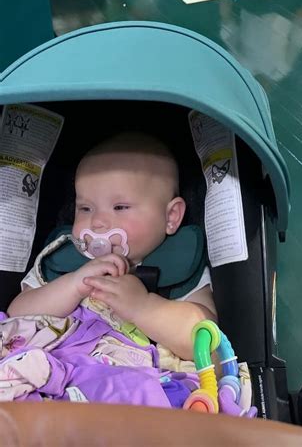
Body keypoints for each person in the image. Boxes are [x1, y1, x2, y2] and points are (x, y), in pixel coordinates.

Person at [8, 132, 216, 361]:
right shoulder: (63, 260)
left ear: (171, 216)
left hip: (132, 384)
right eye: (85, 208)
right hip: (60, 371)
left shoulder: (179, 264)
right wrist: (74, 285)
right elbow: (15, 316)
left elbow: (209, 343)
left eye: (120, 207)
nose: (97, 222)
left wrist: (143, 307)